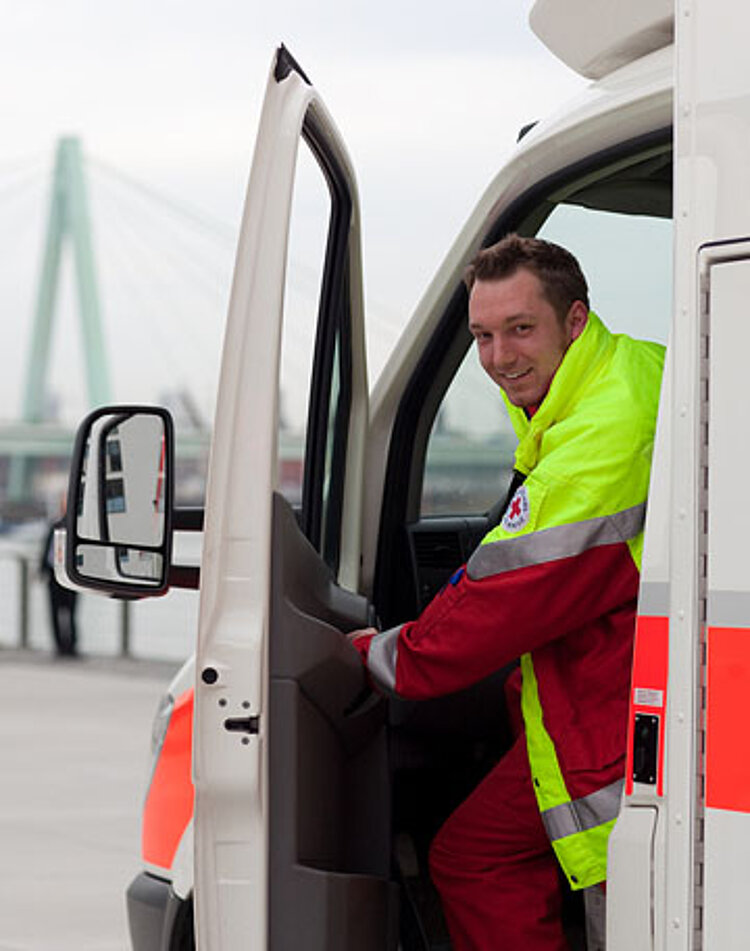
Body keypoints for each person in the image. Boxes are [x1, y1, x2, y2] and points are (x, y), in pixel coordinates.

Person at [349, 235, 665, 950]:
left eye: (520, 329)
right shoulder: (627, 371)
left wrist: (386, 657)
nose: (498, 358)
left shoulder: (604, 431)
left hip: (630, 727)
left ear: (575, 320)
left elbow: (510, 591)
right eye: (482, 336)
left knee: (485, 859)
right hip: (616, 690)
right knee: (476, 852)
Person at [40, 515, 79, 657]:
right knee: (54, 612)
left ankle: (71, 646)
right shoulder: (54, 525)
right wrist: (42, 569)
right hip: (53, 574)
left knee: (71, 612)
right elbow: (46, 549)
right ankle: (59, 646)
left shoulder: (76, 525)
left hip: (70, 576)